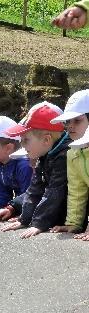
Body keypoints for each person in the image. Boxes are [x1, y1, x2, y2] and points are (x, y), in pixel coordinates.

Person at [1, 102, 71, 239]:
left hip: (67, 217)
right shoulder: (45, 155)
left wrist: (39, 223)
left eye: (26, 140)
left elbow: (54, 192)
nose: (21, 144)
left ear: (46, 140)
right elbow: (34, 189)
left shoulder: (63, 156)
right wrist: (24, 219)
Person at [48, 90, 89, 238]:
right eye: (67, 122)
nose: (70, 126)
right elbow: (77, 190)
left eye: (77, 120)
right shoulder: (73, 152)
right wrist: (74, 223)